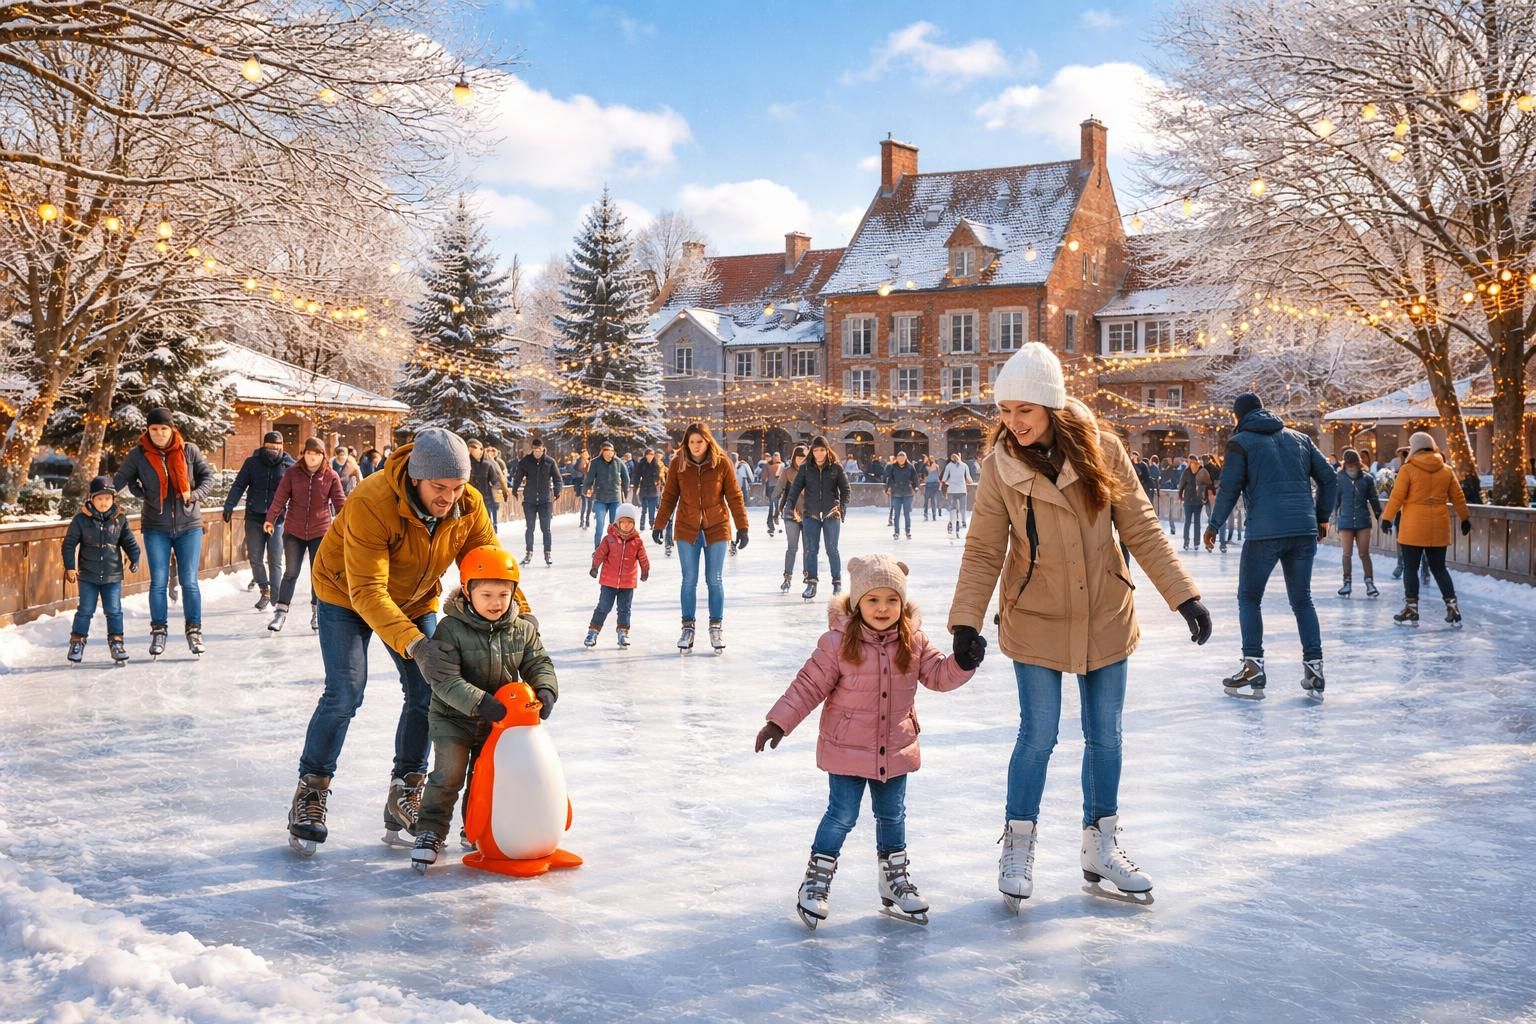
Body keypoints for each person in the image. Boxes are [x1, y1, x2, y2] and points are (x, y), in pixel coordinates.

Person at [948, 342, 1209, 909]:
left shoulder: (1103, 451)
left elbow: (1141, 528)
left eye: (1025, 410)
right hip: (1035, 616)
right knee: (1038, 734)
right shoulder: (999, 467)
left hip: (1104, 612)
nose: (1013, 422)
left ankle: (1101, 844)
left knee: (1105, 734)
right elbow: (984, 550)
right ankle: (1018, 844)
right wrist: (966, 622)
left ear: (1051, 406)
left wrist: (1184, 596)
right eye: (1005, 411)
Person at [287, 427, 529, 857]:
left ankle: (406, 789)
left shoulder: (468, 505)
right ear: (416, 477)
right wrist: (416, 646)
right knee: (346, 691)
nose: (449, 498)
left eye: (457, 487)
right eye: (439, 487)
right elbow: (368, 591)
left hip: (415, 598)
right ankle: (312, 789)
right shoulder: (372, 500)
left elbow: (489, 566)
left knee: (429, 688)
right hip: (345, 594)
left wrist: (522, 622)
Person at [754, 554, 981, 928]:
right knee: (841, 815)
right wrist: (778, 722)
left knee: (892, 815)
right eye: (873, 599)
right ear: (857, 602)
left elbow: (939, 676)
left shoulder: (914, 640)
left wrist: (963, 662)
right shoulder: (837, 642)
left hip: (894, 748)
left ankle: (894, 880)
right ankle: (815, 881)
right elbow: (808, 686)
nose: (883, 608)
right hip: (846, 750)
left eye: (892, 600)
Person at [409, 544, 558, 873]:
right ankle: (430, 831)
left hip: (498, 723)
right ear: (468, 592)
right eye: (487, 595)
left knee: (487, 778)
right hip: (454, 719)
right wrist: (481, 702)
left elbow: (538, 662)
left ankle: (475, 828)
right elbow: (445, 680)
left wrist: (546, 688)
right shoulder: (450, 629)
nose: (496, 603)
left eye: (503, 595)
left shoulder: (521, 628)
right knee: (449, 774)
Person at [1204, 393, 1337, 701]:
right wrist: (1321, 517)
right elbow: (1329, 478)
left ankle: (1253, 667)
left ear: (1238, 416)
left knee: (1249, 598)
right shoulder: (1300, 439)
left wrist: (1214, 525)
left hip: (1264, 532)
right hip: (1303, 530)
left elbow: (1229, 488)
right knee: (1302, 600)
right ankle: (1314, 670)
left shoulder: (1241, 443)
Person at [113, 407, 213, 658]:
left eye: (163, 428)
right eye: (154, 429)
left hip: (189, 525)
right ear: (148, 430)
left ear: (171, 429)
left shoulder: (189, 450)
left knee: (189, 581)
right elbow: (120, 479)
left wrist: (194, 495)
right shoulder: (138, 454)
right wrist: (102, 497)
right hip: (155, 526)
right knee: (158, 581)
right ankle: (159, 631)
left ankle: (194, 631)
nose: (159, 433)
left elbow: (207, 478)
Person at [652, 422, 749, 653]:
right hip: (687, 528)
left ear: (708, 441)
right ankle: (688, 628)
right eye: (692, 442)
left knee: (714, 579)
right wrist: (659, 524)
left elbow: (734, 496)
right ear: (686, 443)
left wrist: (742, 527)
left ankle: (716, 627)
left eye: (700, 442)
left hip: (717, 527)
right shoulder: (678, 463)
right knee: (689, 580)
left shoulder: (721, 462)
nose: (696, 446)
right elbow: (669, 496)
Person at [1382, 432, 1472, 628]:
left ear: (1414, 447)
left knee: (1410, 568)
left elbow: (1397, 496)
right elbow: (1458, 496)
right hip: (1438, 526)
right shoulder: (1446, 470)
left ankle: (1411, 608)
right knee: (1439, 569)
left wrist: (1387, 518)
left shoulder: (1408, 469)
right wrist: (1464, 518)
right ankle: (1452, 607)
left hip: (1413, 527)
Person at [265, 438, 346, 632]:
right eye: (309, 453)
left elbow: (340, 503)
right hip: (294, 530)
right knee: (291, 572)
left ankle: (317, 613)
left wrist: (348, 525)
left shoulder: (331, 475)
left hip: (320, 531)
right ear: (304, 454)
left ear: (322, 455)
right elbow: (280, 497)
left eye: (316, 454)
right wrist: (270, 519)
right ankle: (280, 613)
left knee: (317, 574)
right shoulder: (292, 473)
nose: (312, 457)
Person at [63, 475, 141, 665]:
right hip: (87, 575)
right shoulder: (81, 520)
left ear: (113, 499)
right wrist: (70, 567)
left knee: (114, 611)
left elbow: (129, 542)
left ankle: (117, 644)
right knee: (85, 610)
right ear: (92, 499)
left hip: (112, 575)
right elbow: (69, 544)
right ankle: (77, 642)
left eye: (108, 498)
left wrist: (135, 557)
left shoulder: (119, 519)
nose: (104, 502)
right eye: (100, 498)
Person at [223, 431, 294, 612]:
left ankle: (277, 601)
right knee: (255, 558)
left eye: (277, 447)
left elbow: (298, 491)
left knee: (275, 559)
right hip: (254, 516)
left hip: (277, 520)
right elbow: (239, 485)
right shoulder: (252, 463)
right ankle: (265, 591)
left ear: (282, 446)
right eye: (270, 447)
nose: (274, 450)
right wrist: (229, 505)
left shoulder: (289, 466)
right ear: (264, 446)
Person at [785, 436, 851, 600]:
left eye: (822, 449)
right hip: (811, 514)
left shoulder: (835, 467)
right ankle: (811, 583)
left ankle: (837, 583)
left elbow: (846, 489)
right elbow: (795, 489)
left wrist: (842, 508)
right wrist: (789, 506)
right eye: (816, 450)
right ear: (812, 452)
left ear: (827, 450)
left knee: (832, 549)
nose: (819, 453)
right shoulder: (806, 468)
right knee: (811, 550)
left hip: (831, 513)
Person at [585, 501, 651, 648]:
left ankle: (623, 633)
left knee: (624, 609)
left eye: (630, 522)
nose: (626, 525)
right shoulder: (609, 539)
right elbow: (599, 554)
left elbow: (643, 558)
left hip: (627, 584)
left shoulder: (637, 542)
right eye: (623, 522)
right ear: (617, 522)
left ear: (634, 524)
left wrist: (645, 570)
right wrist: (595, 567)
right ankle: (593, 631)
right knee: (603, 607)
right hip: (608, 582)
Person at [1333, 448, 1382, 598]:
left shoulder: (1366, 479)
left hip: (1363, 521)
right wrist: (1332, 518)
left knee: (1364, 553)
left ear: (1358, 463)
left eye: (1354, 464)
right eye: (1349, 464)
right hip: (1345, 521)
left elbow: (1373, 498)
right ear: (1344, 464)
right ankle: (1347, 582)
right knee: (1347, 553)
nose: (1351, 467)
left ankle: (1369, 582)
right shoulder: (1339, 479)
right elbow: (1335, 501)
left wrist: (1379, 514)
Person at [510, 437, 563, 566]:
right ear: (532, 449)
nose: (537, 452)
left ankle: (547, 553)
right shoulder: (526, 461)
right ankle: (529, 552)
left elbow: (558, 479)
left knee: (546, 528)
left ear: (543, 448)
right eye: (534, 449)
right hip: (530, 500)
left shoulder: (550, 462)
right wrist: (515, 489)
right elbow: (518, 476)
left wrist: (557, 492)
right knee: (530, 527)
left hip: (545, 500)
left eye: (539, 449)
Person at [773, 445, 810, 593]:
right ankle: (787, 577)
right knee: (792, 547)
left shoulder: (812, 472)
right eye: (799, 457)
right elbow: (779, 489)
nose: (801, 460)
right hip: (791, 513)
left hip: (808, 514)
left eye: (804, 457)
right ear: (794, 458)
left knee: (808, 548)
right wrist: (775, 506)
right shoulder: (787, 472)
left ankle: (808, 576)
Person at [584, 441, 629, 549]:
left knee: (614, 527)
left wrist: (625, 491)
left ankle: (614, 549)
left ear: (613, 452)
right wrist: (587, 489)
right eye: (606, 450)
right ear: (602, 451)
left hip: (615, 498)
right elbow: (589, 479)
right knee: (600, 526)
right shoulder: (595, 463)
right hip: (600, 498)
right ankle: (597, 549)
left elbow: (626, 478)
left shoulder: (619, 462)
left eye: (611, 451)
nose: (609, 453)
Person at [466, 438, 507, 530]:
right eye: (478, 448)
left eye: (482, 449)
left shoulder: (487, 464)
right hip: (468, 501)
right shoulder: (464, 464)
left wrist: (495, 491)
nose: (481, 451)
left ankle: (493, 526)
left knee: (485, 526)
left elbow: (496, 480)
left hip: (485, 500)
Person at [1178, 454, 1212, 552]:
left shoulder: (1197, 471)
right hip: (1190, 500)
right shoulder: (1188, 472)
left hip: (1196, 500)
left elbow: (1207, 484)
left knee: (1195, 522)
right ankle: (1187, 542)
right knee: (1189, 522)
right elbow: (1182, 485)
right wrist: (1181, 496)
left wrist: (1205, 497)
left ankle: (1195, 542)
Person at [885, 450, 920, 540]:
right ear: (897, 459)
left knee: (906, 513)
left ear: (905, 459)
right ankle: (896, 532)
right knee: (896, 514)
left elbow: (915, 478)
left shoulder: (910, 467)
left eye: (902, 458)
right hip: (896, 493)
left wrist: (915, 486)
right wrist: (888, 488)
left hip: (907, 493)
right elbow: (890, 478)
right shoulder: (893, 467)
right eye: (899, 458)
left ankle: (908, 531)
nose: (901, 460)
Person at [940, 451, 973, 533]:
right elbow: (969, 478)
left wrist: (945, 482)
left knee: (952, 507)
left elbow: (944, 478)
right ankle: (963, 521)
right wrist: (970, 481)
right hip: (962, 490)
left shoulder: (949, 466)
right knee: (963, 507)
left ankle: (951, 522)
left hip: (952, 490)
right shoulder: (964, 465)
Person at [633, 448, 663, 531]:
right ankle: (642, 524)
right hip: (644, 489)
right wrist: (636, 486)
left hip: (653, 490)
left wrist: (657, 481)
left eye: (652, 454)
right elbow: (636, 476)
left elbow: (658, 476)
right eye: (649, 454)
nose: (651, 456)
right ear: (645, 455)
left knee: (652, 509)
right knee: (644, 509)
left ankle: (652, 523)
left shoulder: (656, 464)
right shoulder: (641, 464)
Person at [922, 455, 942, 522]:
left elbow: (939, 476)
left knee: (933, 501)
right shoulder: (926, 467)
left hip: (934, 485)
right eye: (930, 459)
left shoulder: (936, 466)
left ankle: (933, 515)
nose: (931, 460)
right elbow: (923, 474)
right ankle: (926, 514)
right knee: (926, 501)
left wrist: (939, 484)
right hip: (928, 485)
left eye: (932, 459)